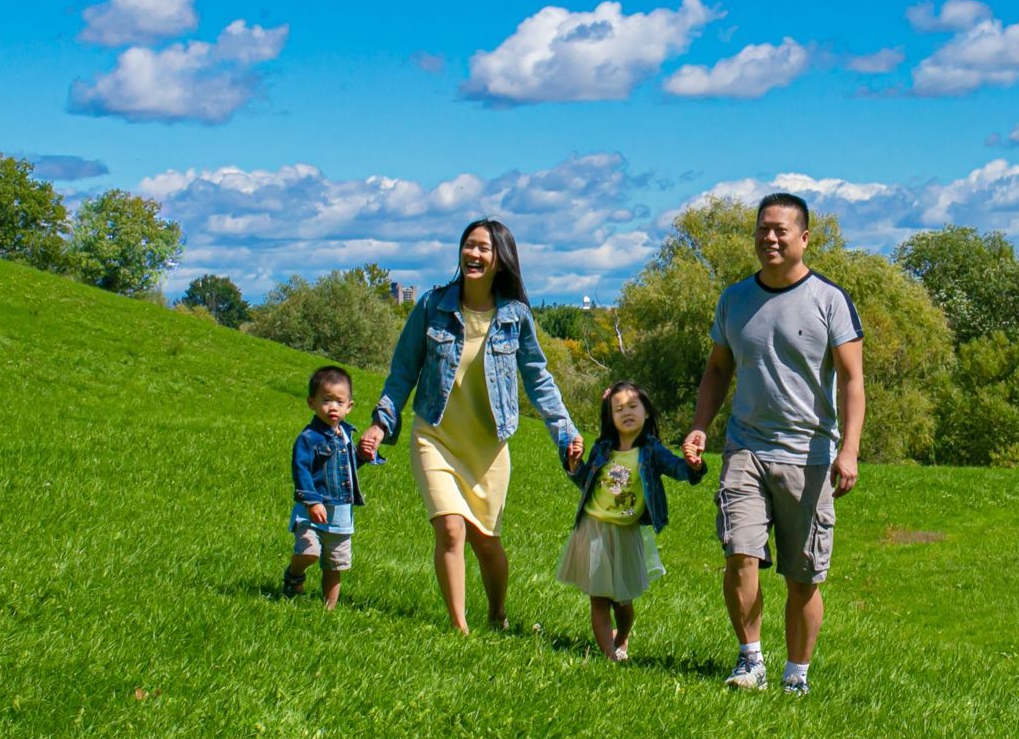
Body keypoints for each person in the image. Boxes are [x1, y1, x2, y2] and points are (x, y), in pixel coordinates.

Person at [358, 219, 583, 635]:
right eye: (468, 246)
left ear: (501, 260)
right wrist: (379, 423)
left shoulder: (515, 316)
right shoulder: (433, 305)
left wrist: (564, 431)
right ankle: (459, 629)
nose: (473, 255)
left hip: (488, 447)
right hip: (436, 435)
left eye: (483, 249)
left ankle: (496, 615)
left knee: (487, 542)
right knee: (449, 527)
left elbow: (538, 377)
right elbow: (403, 371)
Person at [683, 192, 865, 696]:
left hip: (809, 455)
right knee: (740, 552)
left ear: (804, 238)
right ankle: (751, 661)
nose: (770, 238)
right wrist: (701, 425)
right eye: (763, 229)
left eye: (781, 230)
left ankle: (796, 675)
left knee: (803, 575)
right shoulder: (734, 300)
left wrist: (848, 450)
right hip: (745, 447)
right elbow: (717, 370)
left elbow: (853, 381)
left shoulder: (830, 300)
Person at [558, 381, 705, 661]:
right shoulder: (602, 448)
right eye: (618, 408)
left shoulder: (652, 451)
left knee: (622, 602)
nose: (626, 412)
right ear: (610, 417)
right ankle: (608, 655)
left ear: (647, 412)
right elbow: (586, 482)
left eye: (633, 406)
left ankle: (621, 638)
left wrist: (692, 466)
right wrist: (576, 466)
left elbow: (677, 469)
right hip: (594, 530)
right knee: (599, 598)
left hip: (625, 534)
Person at [283, 364, 381, 609]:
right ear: (311, 403)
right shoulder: (308, 439)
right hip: (312, 511)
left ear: (349, 406)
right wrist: (312, 501)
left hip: (340, 514)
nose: (333, 407)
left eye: (339, 402)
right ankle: (294, 573)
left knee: (335, 564)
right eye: (326, 400)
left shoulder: (345, 436)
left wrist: (362, 456)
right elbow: (302, 471)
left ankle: (329, 610)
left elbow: (344, 468)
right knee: (309, 551)